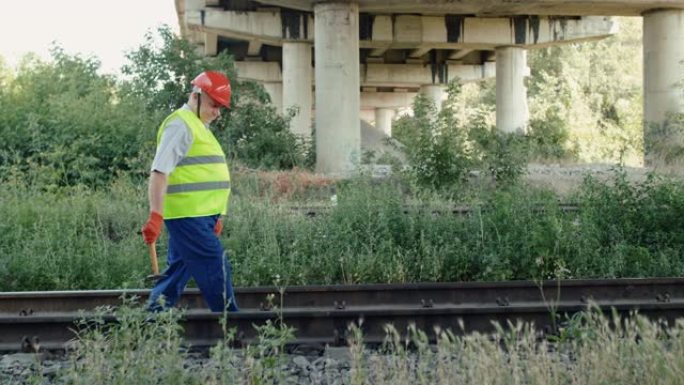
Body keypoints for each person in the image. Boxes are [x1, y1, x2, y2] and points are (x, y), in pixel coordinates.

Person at [141, 70, 239, 313]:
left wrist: (215, 216)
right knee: (216, 265)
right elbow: (159, 172)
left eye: (221, 107)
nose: (217, 112)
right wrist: (155, 215)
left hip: (201, 217)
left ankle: (152, 322)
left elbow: (203, 176)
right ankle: (233, 328)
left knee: (176, 273)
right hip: (188, 216)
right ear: (196, 95)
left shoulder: (199, 126)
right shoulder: (180, 125)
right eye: (214, 105)